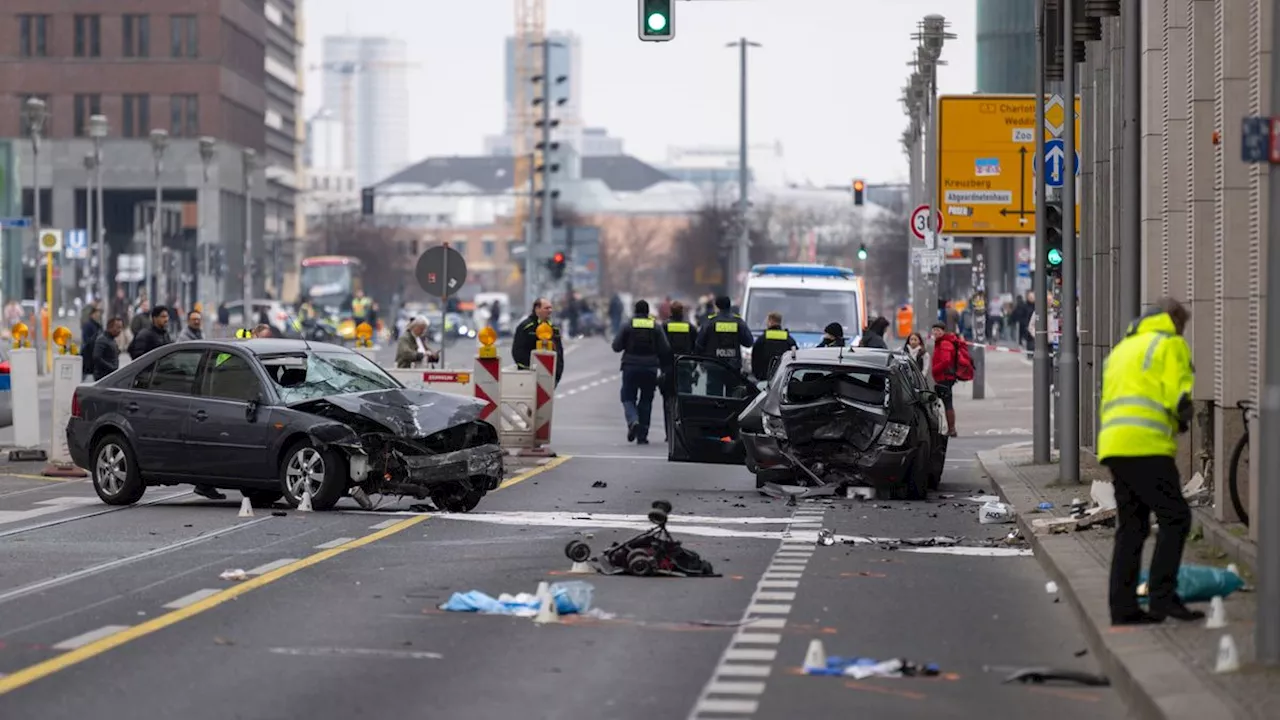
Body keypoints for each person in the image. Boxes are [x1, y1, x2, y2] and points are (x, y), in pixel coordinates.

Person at [1098, 298, 1201, 625]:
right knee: (1176, 517)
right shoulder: (1170, 344)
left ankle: (1123, 608)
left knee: (1132, 526)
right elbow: (1179, 396)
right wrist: (1184, 418)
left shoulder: (1123, 348)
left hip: (1115, 445)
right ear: (1175, 321)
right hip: (1147, 445)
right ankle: (1163, 598)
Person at [612, 299, 670, 444]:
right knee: (646, 400)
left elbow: (616, 346)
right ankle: (642, 436)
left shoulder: (628, 325)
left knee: (628, 397)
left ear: (635, 311)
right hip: (650, 368)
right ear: (647, 311)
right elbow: (665, 348)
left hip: (630, 366)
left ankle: (633, 420)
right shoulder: (655, 327)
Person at [659, 301, 696, 439]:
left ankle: (669, 433)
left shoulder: (665, 326)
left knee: (668, 402)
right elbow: (696, 347)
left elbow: (660, 346)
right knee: (684, 401)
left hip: (668, 368)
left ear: (671, 312)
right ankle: (683, 431)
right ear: (682, 313)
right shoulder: (690, 327)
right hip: (685, 368)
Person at [693, 295, 753, 373]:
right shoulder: (738, 322)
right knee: (734, 385)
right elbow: (749, 342)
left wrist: (700, 362)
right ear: (729, 305)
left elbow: (699, 344)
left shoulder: (709, 322)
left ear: (717, 306)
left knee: (714, 385)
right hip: (733, 367)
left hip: (713, 365)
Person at [512, 297, 565, 385]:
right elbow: (518, 351)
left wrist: (558, 373)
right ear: (537, 309)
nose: (550, 310)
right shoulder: (526, 327)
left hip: (550, 377)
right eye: (546, 308)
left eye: (551, 308)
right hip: (528, 376)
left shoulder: (553, 328)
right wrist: (530, 368)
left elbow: (559, 351)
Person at [929, 322, 963, 437]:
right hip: (945, 376)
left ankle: (952, 429)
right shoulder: (940, 342)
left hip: (945, 377)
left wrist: (934, 370)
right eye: (934, 330)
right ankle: (951, 428)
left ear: (943, 331)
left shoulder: (944, 343)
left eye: (938, 330)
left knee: (947, 403)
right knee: (946, 402)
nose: (936, 332)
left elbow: (946, 361)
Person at [750, 311, 797, 382]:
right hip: (782, 378)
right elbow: (795, 356)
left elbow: (755, 358)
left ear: (770, 321)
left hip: (765, 377)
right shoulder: (788, 339)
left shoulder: (762, 339)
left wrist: (758, 375)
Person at [81, 306, 103, 378]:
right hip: (88, 355)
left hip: (95, 355)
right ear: (92, 315)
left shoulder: (98, 325)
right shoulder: (88, 325)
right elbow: (86, 340)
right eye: (96, 314)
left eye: (99, 314)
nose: (98, 316)